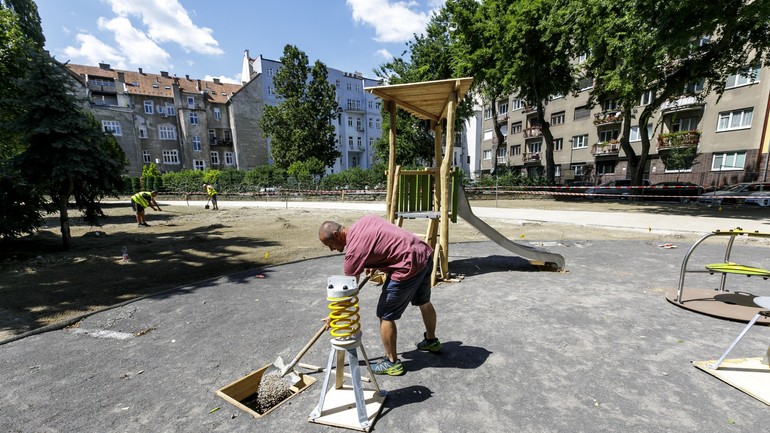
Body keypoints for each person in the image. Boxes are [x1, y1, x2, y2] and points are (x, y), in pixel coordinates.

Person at [319, 215, 441, 376]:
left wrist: (334, 314)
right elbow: (384, 239)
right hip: (422, 254)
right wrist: (373, 260)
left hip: (407, 266)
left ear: (336, 235)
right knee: (424, 302)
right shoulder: (364, 221)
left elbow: (348, 292)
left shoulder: (353, 252)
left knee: (385, 315)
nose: (331, 249)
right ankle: (432, 341)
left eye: (330, 244)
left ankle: (392, 363)